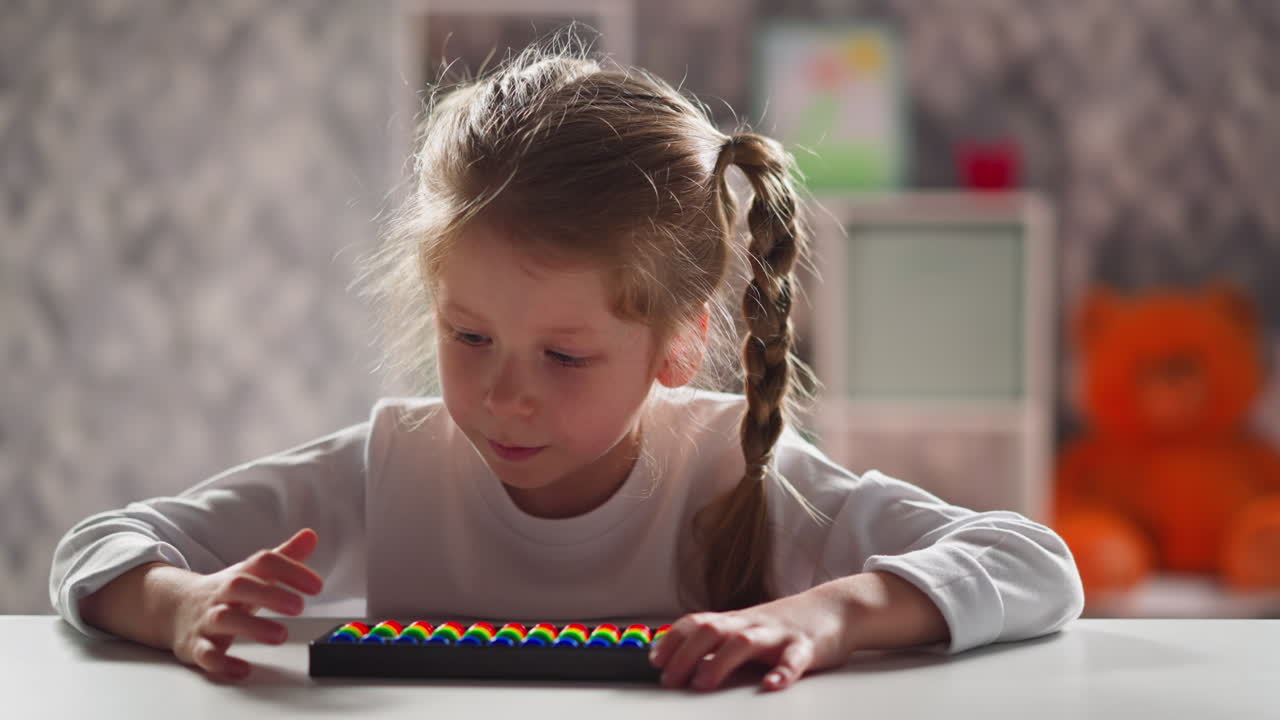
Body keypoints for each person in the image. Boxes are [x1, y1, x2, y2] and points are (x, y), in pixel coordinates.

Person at [49, 42, 1083, 691]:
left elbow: (1034, 565)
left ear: (674, 343)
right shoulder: (391, 467)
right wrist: (176, 606)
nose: (504, 393)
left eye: (564, 355)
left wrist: (825, 613)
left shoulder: (735, 471)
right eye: (468, 338)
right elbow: (100, 545)